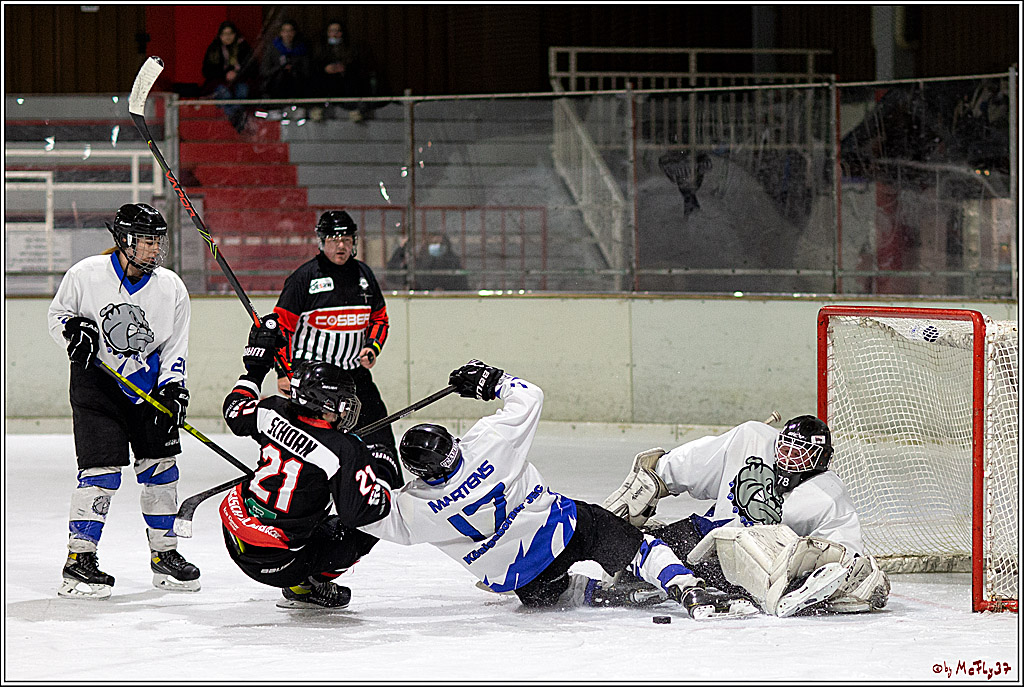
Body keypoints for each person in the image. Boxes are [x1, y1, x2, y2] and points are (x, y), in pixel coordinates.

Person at [358, 360, 758, 620]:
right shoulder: (488, 441)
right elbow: (530, 395)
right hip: (563, 528)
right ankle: (686, 588)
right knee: (634, 545)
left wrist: (335, 465)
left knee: (554, 592)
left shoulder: (414, 508)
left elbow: (363, 512)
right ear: (451, 443)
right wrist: (490, 381)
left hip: (523, 580)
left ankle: (605, 595)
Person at [48, 202, 201, 599]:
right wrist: (73, 331)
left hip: (147, 391)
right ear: (123, 240)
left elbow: (174, 346)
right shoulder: (85, 274)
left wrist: (173, 386)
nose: (154, 249)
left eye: (157, 241)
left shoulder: (171, 287)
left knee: (162, 470)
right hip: (96, 387)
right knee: (101, 473)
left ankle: (165, 556)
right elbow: (58, 315)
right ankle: (79, 561)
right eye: (146, 241)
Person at [601, 415, 891, 617]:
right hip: (706, 538)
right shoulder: (752, 439)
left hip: (753, 572)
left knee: (774, 555)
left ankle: (675, 582)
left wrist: (848, 573)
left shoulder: (828, 495)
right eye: (786, 448)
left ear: (822, 459)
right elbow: (696, 462)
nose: (789, 457)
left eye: (800, 452)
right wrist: (656, 478)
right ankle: (609, 585)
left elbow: (847, 554)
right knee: (631, 546)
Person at [218, 318, 401, 609]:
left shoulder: (271, 410)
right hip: (280, 562)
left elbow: (234, 411)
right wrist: (383, 471)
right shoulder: (344, 450)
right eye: (341, 403)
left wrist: (256, 367)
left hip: (236, 538)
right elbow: (360, 515)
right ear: (325, 406)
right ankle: (305, 587)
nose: (346, 410)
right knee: (366, 528)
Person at [272, 210, 396, 454]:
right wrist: (283, 371)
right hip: (313, 379)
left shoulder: (364, 275)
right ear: (322, 241)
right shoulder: (304, 278)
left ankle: (382, 484)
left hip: (354, 376)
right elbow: (281, 327)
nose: (342, 246)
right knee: (313, 443)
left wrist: (372, 347)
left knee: (379, 436)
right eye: (334, 239)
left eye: (347, 239)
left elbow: (379, 319)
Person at [200, 20, 257, 132]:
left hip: (241, 80)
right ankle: (236, 120)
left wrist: (236, 74)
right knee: (224, 93)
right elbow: (207, 71)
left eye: (230, 33)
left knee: (242, 90)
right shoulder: (214, 49)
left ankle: (234, 119)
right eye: (225, 34)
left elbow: (252, 68)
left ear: (235, 34)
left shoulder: (243, 47)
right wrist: (224, 74)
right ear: (220, 35)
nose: (228, 37)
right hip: (219, 82)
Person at [312, 19, 370, 123]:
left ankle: (353, 109)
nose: (334, 34)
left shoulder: (349, 48)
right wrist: (325, 69)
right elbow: (315, 64)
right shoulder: (320, 48)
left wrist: (343, 68)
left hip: (344, 80)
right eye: (331, 31)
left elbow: (355, 64)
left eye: (337, 31)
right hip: (325, 80)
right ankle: (317, 108)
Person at [260, 19, 312, 119]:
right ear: (281, 33)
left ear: (294, 32)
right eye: (285, 31)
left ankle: (296, 107)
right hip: (275, 85)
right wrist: (280, 68)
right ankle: (276, 108)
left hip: (296, 84)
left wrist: (294, 68)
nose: (288, 34)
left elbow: (307, 70)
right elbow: (264, 71)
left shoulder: (302, 49)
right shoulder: (272, 49)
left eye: (290, 31)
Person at [385, 233, 470, 291]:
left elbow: (461, 283)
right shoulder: (419, 261)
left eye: (441, 243)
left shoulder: (453, 262)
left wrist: (446, 290)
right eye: (434, 243)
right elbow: (393, 274)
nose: (438, 246)